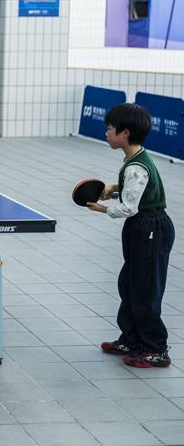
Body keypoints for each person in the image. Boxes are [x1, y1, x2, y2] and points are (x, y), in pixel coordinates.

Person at [87, 103, 174, 368]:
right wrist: (114, 188)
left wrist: (102, 208)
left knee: (144, 291)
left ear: (125, 133)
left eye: (109, 129)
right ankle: (132, 340)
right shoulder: (135, 158)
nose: (106, 133)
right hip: (141, 228)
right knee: (129, 284)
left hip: (150, 229)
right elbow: (135, 189)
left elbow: (129, 208)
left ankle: (155, 349)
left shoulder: (136, 167)